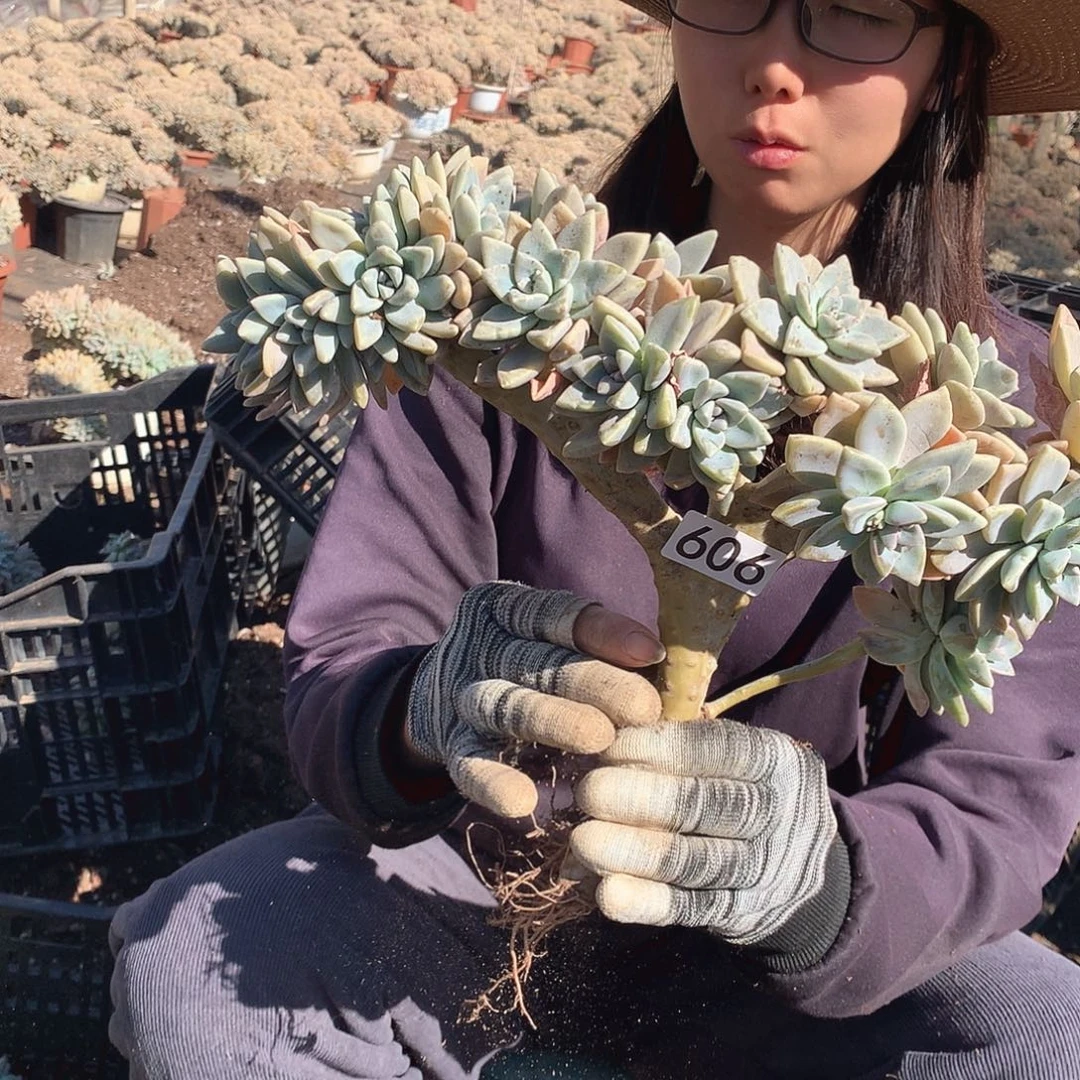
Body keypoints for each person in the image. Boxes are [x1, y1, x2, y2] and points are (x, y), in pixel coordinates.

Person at [108, 0, 1080, 1077]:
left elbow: (994, 804)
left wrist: (813, 877)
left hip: (795, 982)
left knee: (1050, 1040)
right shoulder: (496, 323)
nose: (774, 64)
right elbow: (348, 654)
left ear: (950, 69)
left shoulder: (1009, 433)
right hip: (482, 897)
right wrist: (428, 698)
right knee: (194, 964)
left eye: (857, 10)